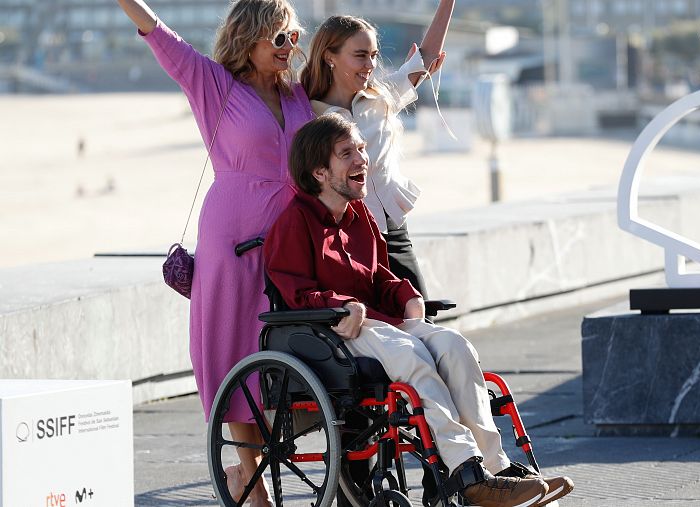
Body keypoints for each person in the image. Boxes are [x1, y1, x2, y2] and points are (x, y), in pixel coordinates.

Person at [264, 114, 574, 507]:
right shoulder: (293, 222)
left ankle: (493, 468)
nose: (362, 159)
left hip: (383, 325)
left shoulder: (361, 218)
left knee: (454, 345)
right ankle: (466, 471)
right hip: (334, 335)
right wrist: (342, 307)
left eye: (361, 149)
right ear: (320, 172)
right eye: (348, 154)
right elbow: (296, 293)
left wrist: (407, 296)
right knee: (411, 355)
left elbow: (379, 279)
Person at [115, 0, 316, 504]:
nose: (290, 47)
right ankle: (253, 483)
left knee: (291, 353)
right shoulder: (216, 87)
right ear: (249, 38)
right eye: (279, 39)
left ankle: (253, 467)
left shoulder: (298, 95)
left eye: (294, 37)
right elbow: (159, 35)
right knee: (239, 356)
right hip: (233, 242)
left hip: (293, 238)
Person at [300, 5, 454, 298]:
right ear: (329, 57)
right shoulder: (307, 115)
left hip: (395, 231)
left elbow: (427, 57)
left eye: (373, 55)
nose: (370, 64)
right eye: (360, 55)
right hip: (349, 237)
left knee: (420, 319)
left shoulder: (382, 97)